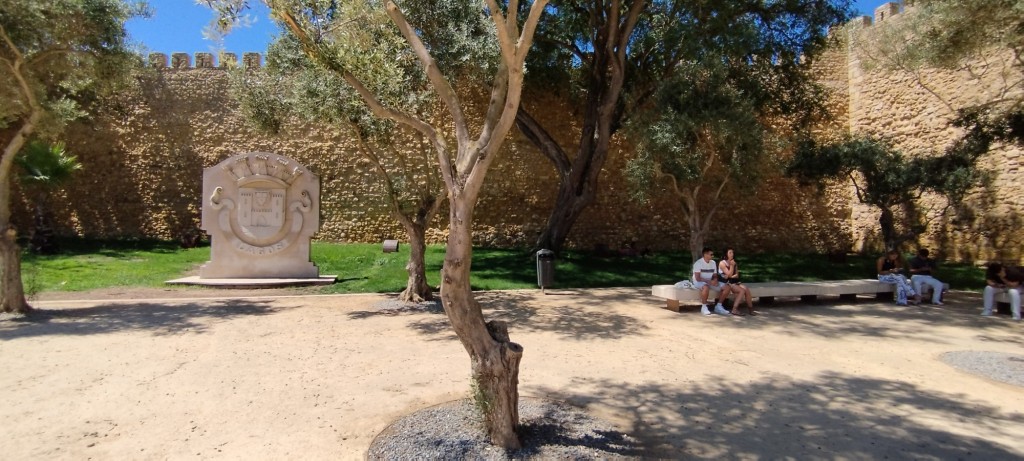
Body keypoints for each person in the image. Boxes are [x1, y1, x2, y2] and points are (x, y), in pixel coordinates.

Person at [692, 247, 731, 316]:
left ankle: (718, 306)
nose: (712, 256)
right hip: (699, 281)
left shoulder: (713, 263)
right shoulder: (698, 263)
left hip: (710, 281)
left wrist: (715, 280)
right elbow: (697, 278)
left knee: (727, 287)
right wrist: (710, 282)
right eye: (711, 254)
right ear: (705, 254)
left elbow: (715, 275)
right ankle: (704, 307)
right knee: (706, 287)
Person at [719, 248, 755, 316]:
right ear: (726, 254)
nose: (732, 254)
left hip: (735, 281)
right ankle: (734, 309)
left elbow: (736, 275)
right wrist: (731, 266)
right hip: (728, 283)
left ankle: (750, 309)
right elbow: (729, 274)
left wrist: (731, 275)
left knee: (746, 289)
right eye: (730, 253)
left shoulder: (734, 262)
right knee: (741, 291)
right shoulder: (722, 263)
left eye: (732, 252)